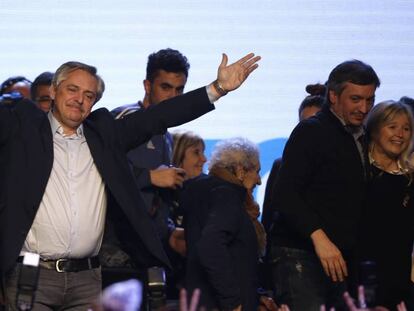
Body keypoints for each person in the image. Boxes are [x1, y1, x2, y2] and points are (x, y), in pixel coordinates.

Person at [0, 52, 260, 310]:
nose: (79, 99)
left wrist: (217, 88)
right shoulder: (24, 131)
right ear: (55, 91)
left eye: (89, 95)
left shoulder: (104, 136)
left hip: (87, 279)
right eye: (72, 89)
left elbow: (160, 116)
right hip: (32, 277)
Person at [270, 60, 380, 310]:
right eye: (355, 99)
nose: (363, 108)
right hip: (301, 254)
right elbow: (285, 194)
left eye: (369, 100)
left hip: (340, 259)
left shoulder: (362, 136)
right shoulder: (311, 131)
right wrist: (321, 239)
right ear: (333, 96)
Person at [182, 137, 270, 310]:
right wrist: (232, 300)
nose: (259, 180)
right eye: (256, 171)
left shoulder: (204, 191)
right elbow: (210, 245)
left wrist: (256, 295)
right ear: (240, 170)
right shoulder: (227, 196)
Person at [357, 101, 414, 309]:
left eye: (406, 128)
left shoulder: (409, 179)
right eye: (392, 127)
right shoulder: (357, 168)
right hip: (358, 276)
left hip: (398, 282)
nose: (400, 134)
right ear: (374, 128)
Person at [261, 83, 325, 235]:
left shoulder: (342, 163)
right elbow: (268, 217)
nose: (309, 129)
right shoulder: (281, 165)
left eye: (314, 123)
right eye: (304, 123)